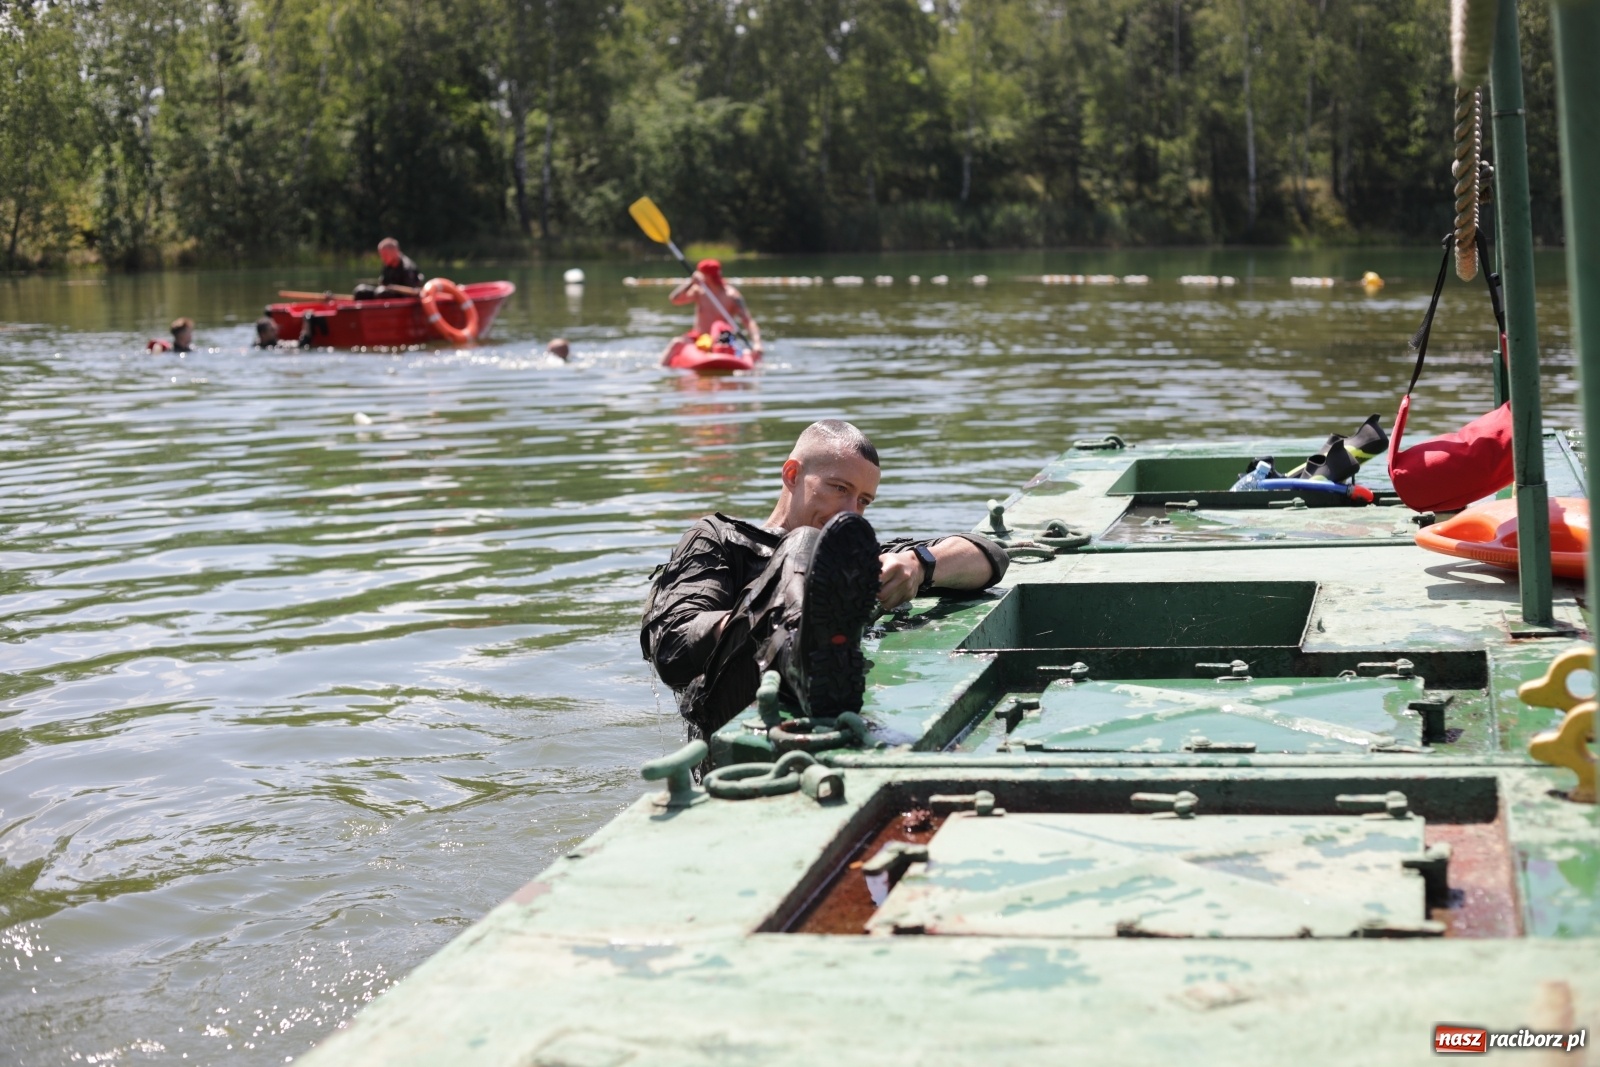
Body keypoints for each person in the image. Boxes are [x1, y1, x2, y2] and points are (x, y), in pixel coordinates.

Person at [641, 420, 1008, 739]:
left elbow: (989, 557)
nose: (851, 511)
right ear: (792, 475)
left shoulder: (854, 558)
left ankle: (820, 653)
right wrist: (770, 618)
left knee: (821, 548)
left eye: (864, 500)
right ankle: (802, 643)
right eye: (839, 489)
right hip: (740, 706)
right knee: (804, 544)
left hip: (838, 705)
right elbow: (672, 644)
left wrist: (918, 564)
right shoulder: (720, 539)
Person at [662, 258, 762, 363]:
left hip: (723, 339)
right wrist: (691, 282)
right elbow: (675, 299)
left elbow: (748, 321)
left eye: (701, 273)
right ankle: (662, 369)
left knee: (741, 348)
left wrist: (757, 344)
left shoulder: (731, 295)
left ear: (708, 276)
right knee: (676, 343)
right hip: (699, 337)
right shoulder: (699, 291)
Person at [354, 238, 424, 299]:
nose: (382, 258)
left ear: (395, 252)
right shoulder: (387, 265)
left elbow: (412, 292)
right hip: (385, 293)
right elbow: (383, 283)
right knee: (360, 291)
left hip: (401, 297)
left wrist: (392, 288)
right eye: (381, 255)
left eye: (385, 255)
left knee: (381, 293)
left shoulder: (407, 267)